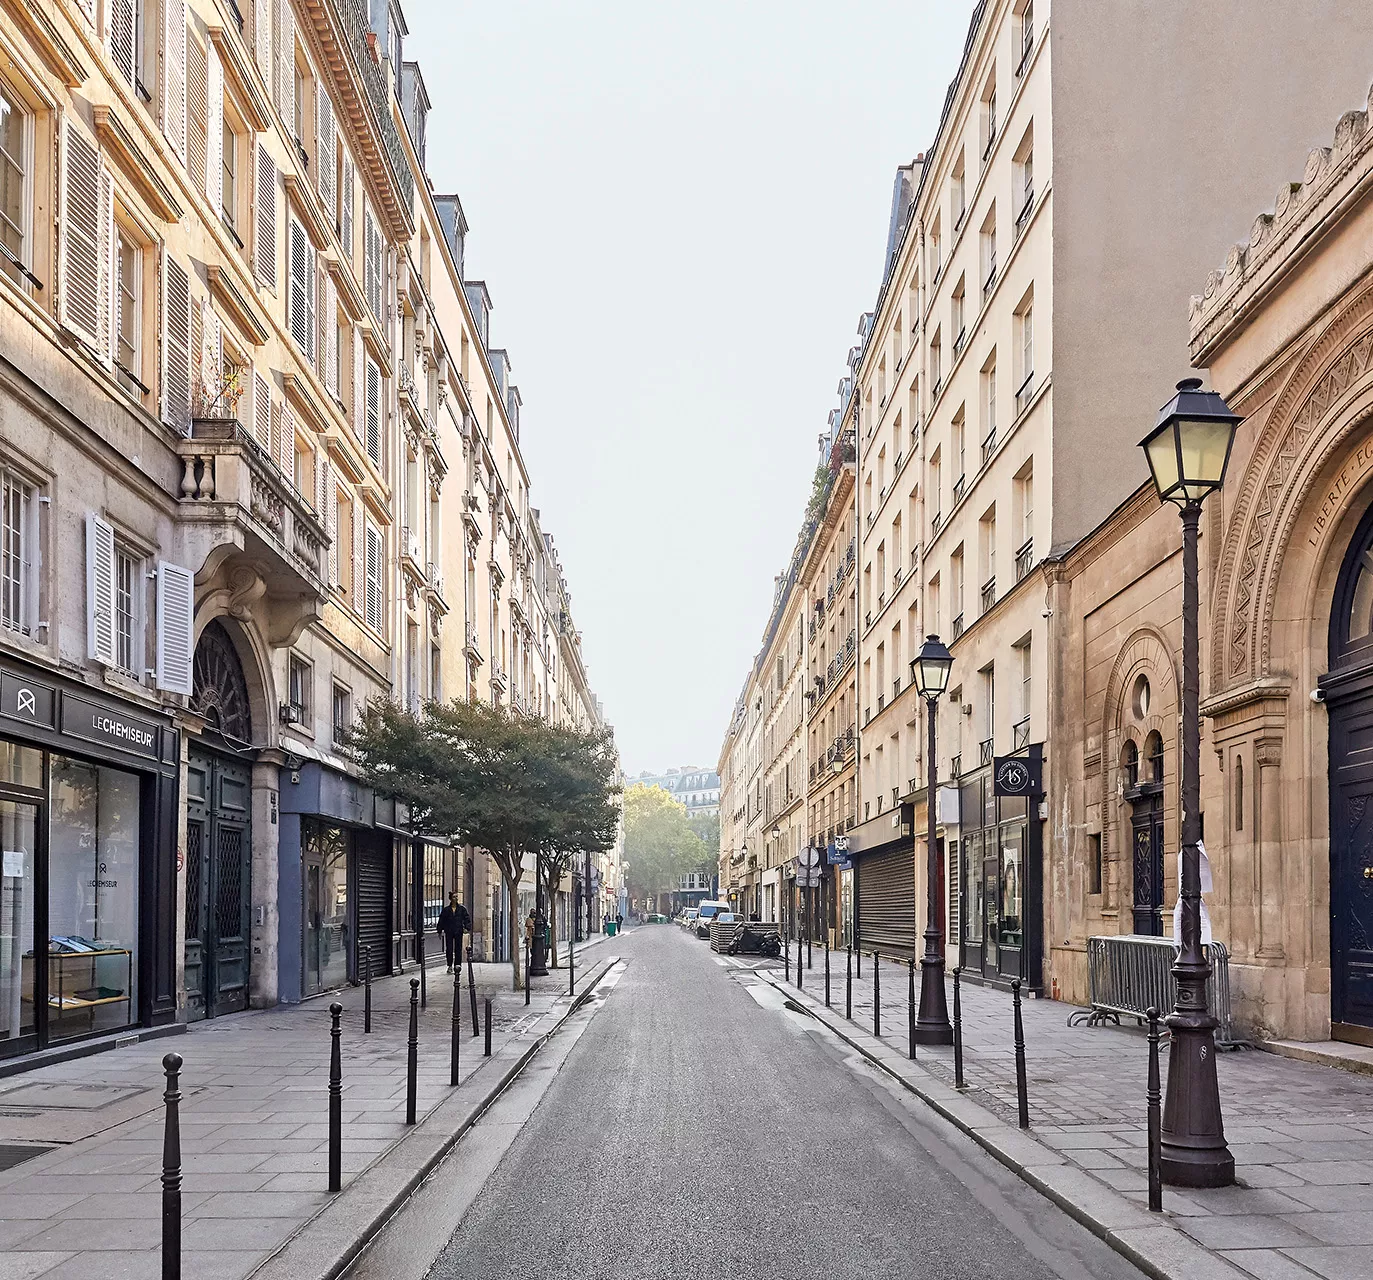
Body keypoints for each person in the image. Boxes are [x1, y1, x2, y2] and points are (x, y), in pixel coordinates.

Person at [436, 893, 470, 973]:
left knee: (458, 948)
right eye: (454, 897)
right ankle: (450, 965)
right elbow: (442, 920)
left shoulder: (462, 909)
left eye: (456, 897)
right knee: (449, 948)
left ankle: (457, 965)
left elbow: (466, 918)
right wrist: (439, 930)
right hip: (449, 931)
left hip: (458, 930)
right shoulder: (446, 910)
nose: (456, 898)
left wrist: (466, 928)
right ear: (451, 899)